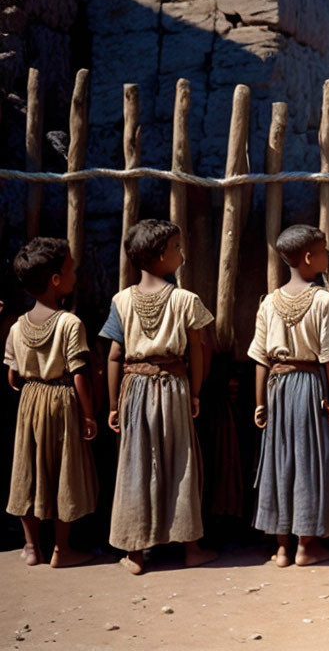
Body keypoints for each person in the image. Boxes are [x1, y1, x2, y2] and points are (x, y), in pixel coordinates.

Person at [100, 219, 216, 574]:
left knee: (137, 462)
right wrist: (195, 390)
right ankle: (191, 548)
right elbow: (197, 350)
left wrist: (114, 404)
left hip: (134, 390)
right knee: (180, 461)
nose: (182, 252)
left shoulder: (121, 301)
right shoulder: (186, 300)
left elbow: (114, 356)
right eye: (177, 247)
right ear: (160, 256)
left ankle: (135, 553)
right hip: (175, 387)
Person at [248, 225, 329, 567]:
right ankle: (307, 545)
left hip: (277, 389)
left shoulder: (269, 302)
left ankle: (282, 549)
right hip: (308, 387)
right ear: (309, 258)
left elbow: (261, 357)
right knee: (309, 461)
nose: (326, 256)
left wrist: (260, 401)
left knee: (279, 461)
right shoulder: (324, 301)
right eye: (323, 251)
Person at [5, 237, 97, 567]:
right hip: (62, 402)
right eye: (71, 268)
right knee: (63, 472)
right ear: (56, 280)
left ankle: (31, 548)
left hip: (30, 401)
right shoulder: (70, 323)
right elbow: (80, 374)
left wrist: (30, 385)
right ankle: (62, 549)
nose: (75, 273)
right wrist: (89, 415)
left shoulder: (17, 327)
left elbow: (12, 377)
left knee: (27, 470)